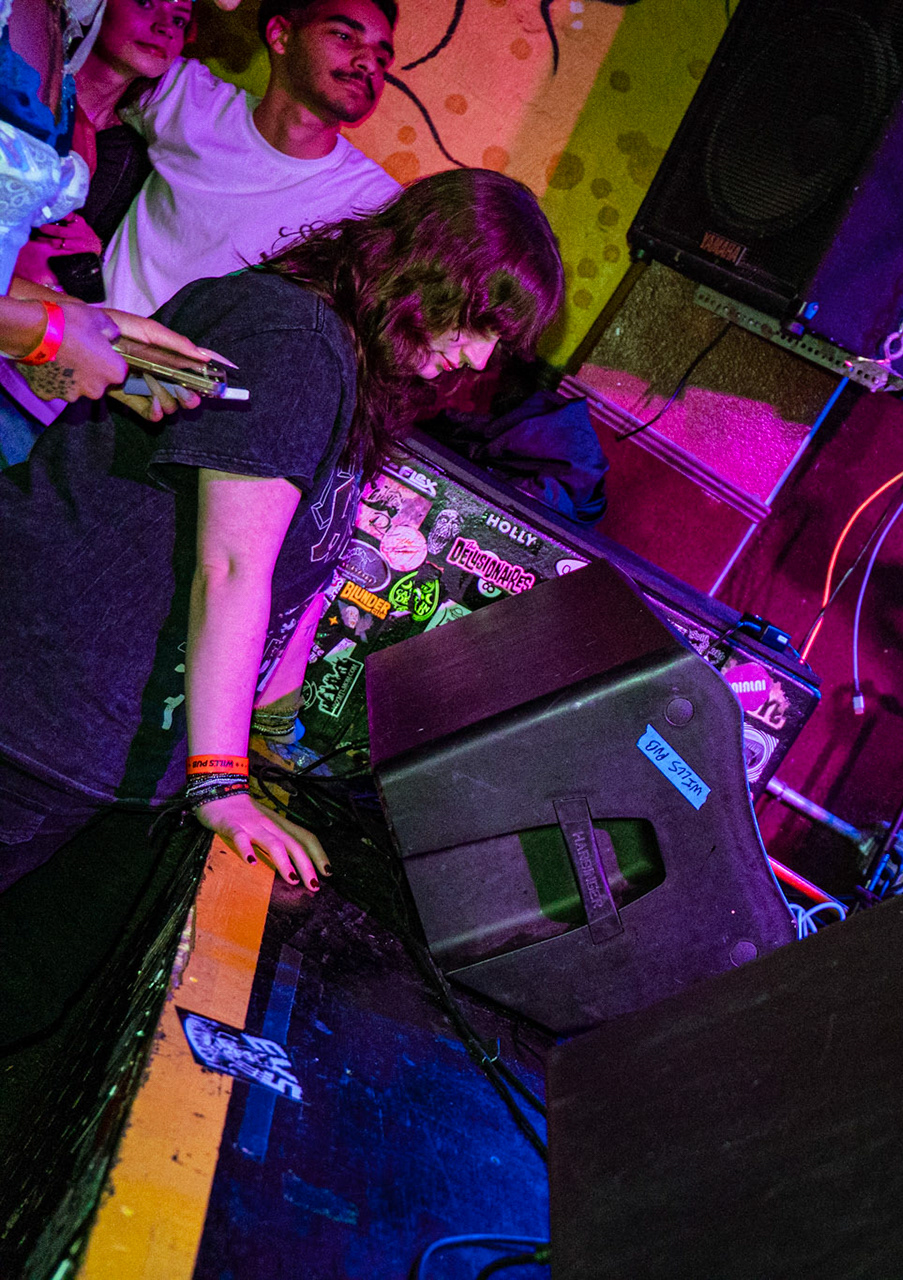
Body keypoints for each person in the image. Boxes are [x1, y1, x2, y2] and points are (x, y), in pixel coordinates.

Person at [0, 167, 565, 897]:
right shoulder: (296, 341)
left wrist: (273, 743)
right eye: (479, 323)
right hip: (36, 701)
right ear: (429, 271)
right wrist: (220, 785)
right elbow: (233, 568)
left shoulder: (346, 366)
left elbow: (298, 577)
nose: (479, 358)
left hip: (70, 733)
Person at [101, 0, 402, 318]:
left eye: (382, 59)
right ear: (281, 35)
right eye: (344, 36)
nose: (369, 64)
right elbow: (82, 65)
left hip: (211, 352)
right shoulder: (185, 97)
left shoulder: (379, 206)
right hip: (93, 332)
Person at [12, 0, 195, 302]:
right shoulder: (21, 83)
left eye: (179, 20)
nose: (164, 27)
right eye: (146, 3)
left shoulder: (130, 155)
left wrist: (93, 248)